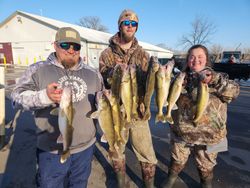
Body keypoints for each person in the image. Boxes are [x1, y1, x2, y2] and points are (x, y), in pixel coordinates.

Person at [11, 27, 103, 188]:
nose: (71, 50)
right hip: (51, 151)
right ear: (55, 45)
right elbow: (16, 98)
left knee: (79, 184)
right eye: (65, 45)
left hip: (85, 148)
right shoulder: (38, 69)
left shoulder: (93, 73)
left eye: (76, 46)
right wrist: (44, 97)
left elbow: (103, 102)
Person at [161, 44, 240, 188]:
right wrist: (166, 77)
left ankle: (206, 184)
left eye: (200, 57)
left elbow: (234, 92)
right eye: (192, 57)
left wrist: (215, 79)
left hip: (209, 137)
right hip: (182, 134)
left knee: (206, 167)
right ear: (187, 60)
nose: (195, 60)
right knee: (177, 160)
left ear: (207, 60)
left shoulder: (219, 78)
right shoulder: (181, 78)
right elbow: (164, 95)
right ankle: (170, 180)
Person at [99, 9, 157, 188]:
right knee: (117, 150)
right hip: (116, 110)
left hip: (137, 111)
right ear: (120, 25)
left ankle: (149, 185)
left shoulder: (143, 55)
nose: (130, 27)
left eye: (134, 24)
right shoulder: (107, 54)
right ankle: (120, 183)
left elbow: (150, 83)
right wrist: (113, 72)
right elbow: (102, 75)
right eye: (127, 23)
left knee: (146, 153)